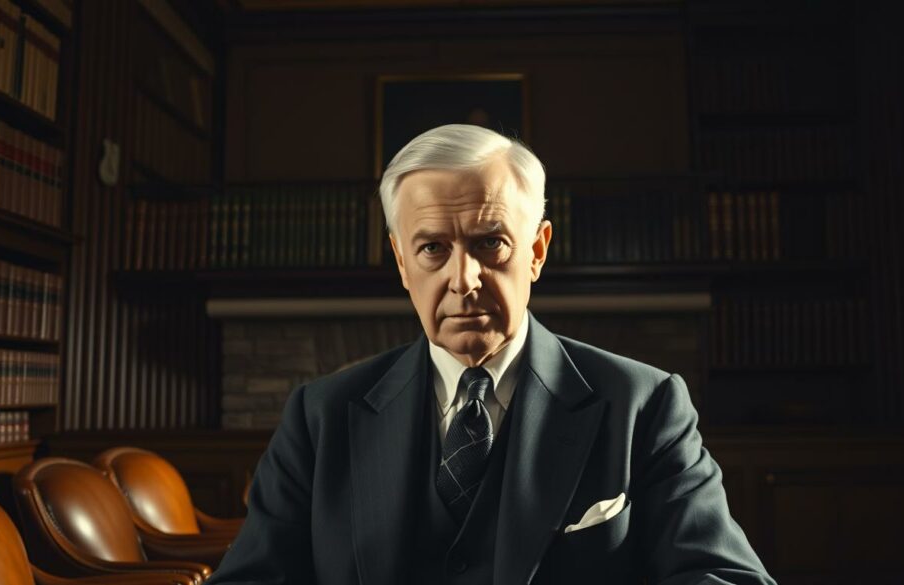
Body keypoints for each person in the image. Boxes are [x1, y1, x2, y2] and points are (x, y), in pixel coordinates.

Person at [207, 124, 776, 585]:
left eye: (490, 243)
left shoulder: (645, 406)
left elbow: (726, 578)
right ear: (402, 263)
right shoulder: (319, 417)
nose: (463, 279)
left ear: (537, 250)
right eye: (433, 248)